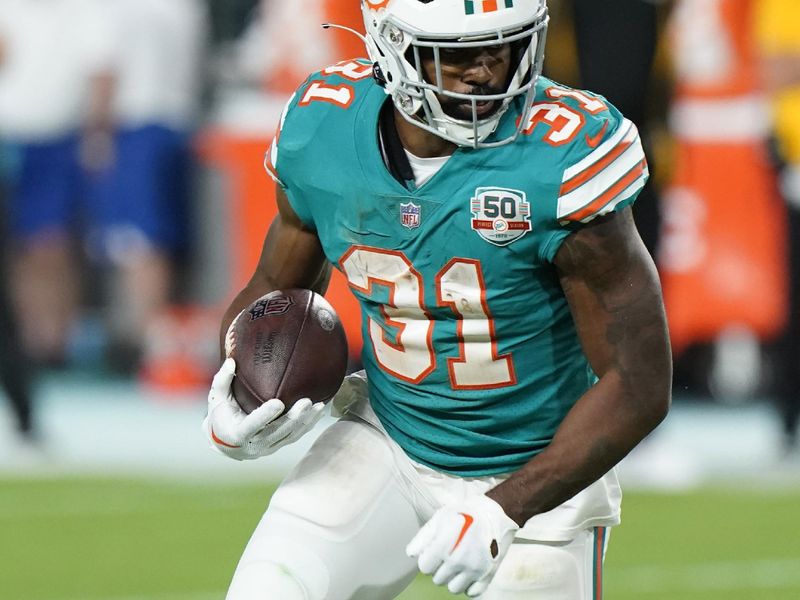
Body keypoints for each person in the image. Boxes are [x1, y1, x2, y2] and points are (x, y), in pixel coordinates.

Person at [204, 0, 672, 598]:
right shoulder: (325, 126)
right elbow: (275, 289)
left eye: (502, 47)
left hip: (538, 469)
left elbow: (639, 382)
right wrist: (236, 387)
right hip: (390, 440)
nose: (486, 72)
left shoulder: (563, 154)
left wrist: (505, 508)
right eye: (456, 55)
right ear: (391, 49)